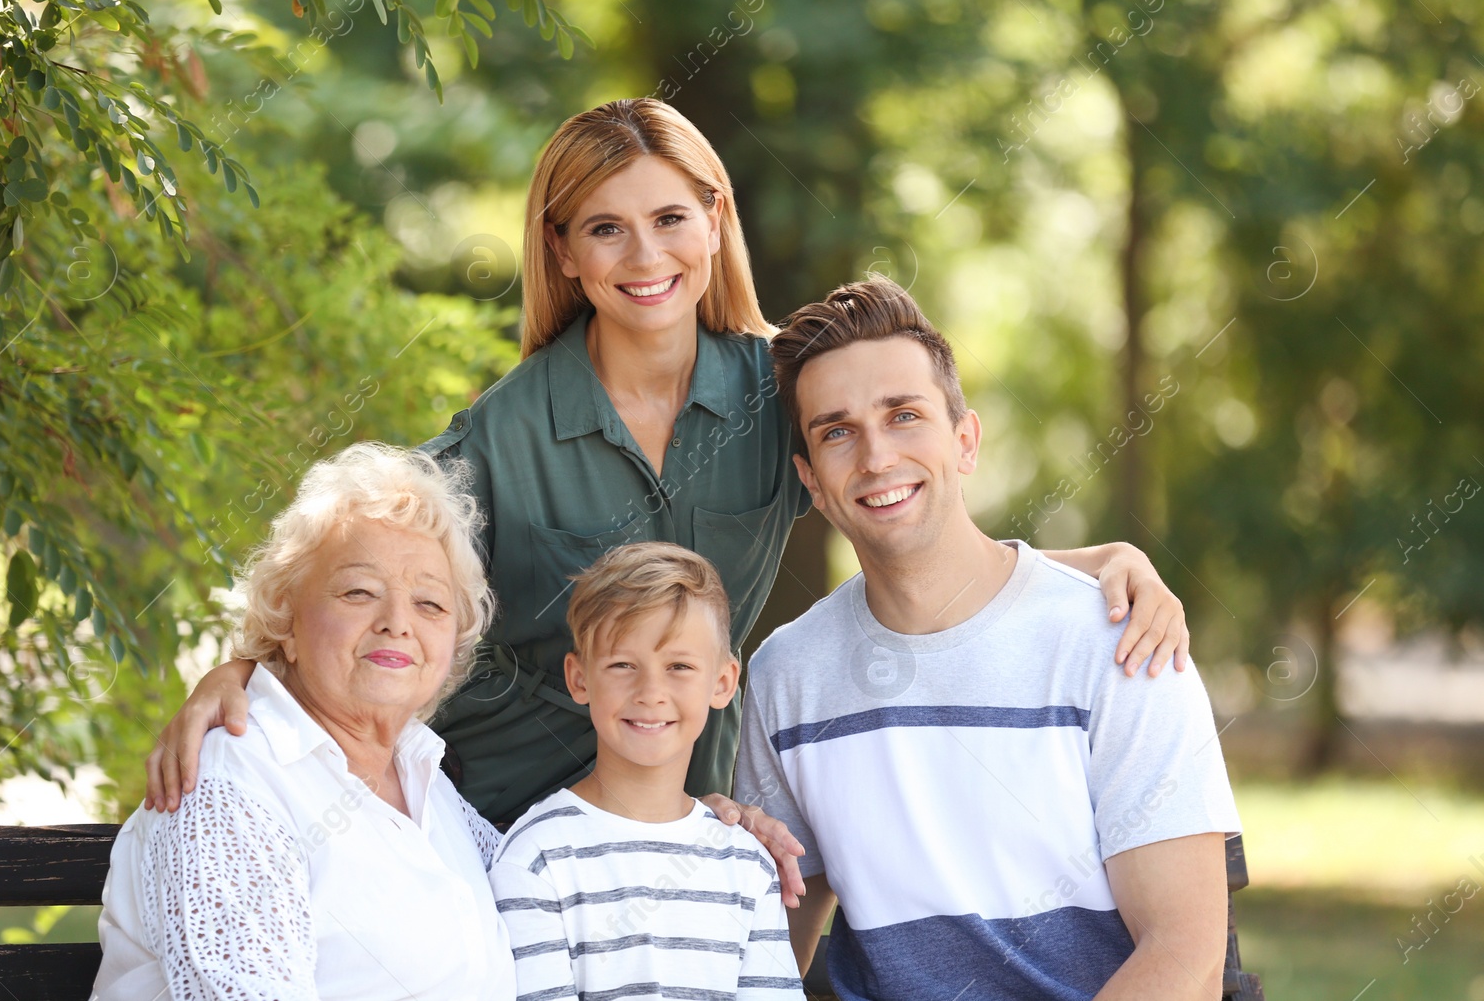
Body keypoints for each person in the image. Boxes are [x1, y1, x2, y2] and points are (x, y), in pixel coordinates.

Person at [143, 99, 1193, 898]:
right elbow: (351, 571)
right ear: (561, 249)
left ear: (713, 218)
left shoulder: (781, 394)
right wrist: (243, 667)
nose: (644, 257)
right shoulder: (500, 435)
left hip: (697, 825)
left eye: (667, 218)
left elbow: (905, 517)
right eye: (603, 229)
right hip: (514, 831)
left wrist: (1101, 562)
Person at [734, 279, 1242, 1000]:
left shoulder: (1118, 643)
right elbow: (767, 948)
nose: (876, 457)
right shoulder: (788, 673)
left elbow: (1185, 954)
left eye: (904, 415)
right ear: (812, 481)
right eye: (837, 430)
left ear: (965, 440)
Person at [94, 444, 515, 1001]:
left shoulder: (427, 781)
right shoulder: (230, 783)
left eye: (430, 604)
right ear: (287, 622)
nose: (396, 622)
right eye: (359, 592)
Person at [489, 541, 804, 1000]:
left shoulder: (746, 862)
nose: (651, 692)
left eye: (679, 665)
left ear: (722, 682)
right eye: (622, 665)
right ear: (580, 679)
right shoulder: (536, 855)